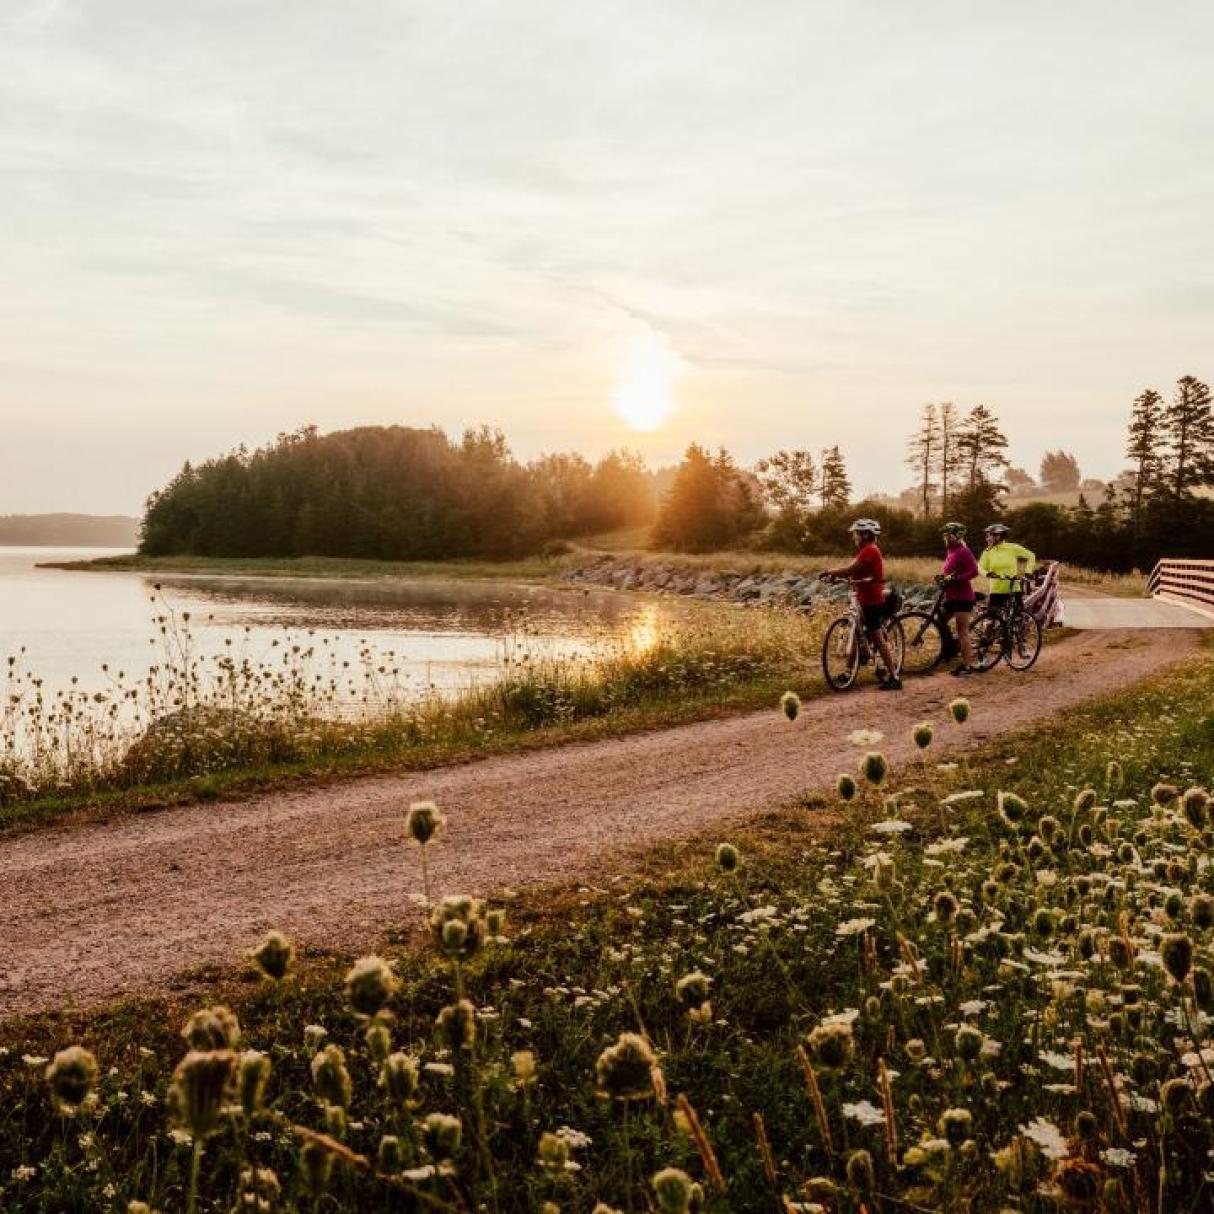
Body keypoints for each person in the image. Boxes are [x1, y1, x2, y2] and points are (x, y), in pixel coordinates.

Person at [821, 518, 902, 691]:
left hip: (872, 600)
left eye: (856, 534)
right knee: (857, 633)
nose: (854, 537)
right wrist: (837, 577)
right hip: (863, 597)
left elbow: (851, 569)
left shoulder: (870, 551)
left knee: (877, 639)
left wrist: (831, 572)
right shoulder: (865, 550)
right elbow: (854, 572)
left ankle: (894, 677)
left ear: (865, 535)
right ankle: (848, 673)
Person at [935, 522, 978, 677]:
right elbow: (951, 572)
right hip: (951, 596)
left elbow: (974, 571)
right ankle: (950, 650)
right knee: (940, 621)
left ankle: (967, 667)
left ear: (955, 536)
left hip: (963, 597)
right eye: (944, 534)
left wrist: (957, 579)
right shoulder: (951, 551)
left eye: (947, 534)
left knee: (962, 632)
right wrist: (944, 578)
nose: (944, 537)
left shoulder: (963, 551)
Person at [978, 523, 1036, 615]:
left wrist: (1028, 571)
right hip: (996, 590)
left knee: (1017, 616)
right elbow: (980, 567)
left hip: (1013, 588)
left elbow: (1031, 556)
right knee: (992, 616)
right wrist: (987, 574)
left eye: (989, 536)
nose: (987, 539)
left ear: (998, 536)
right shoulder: (987, 552)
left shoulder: (1013, 548)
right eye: (987, 536)